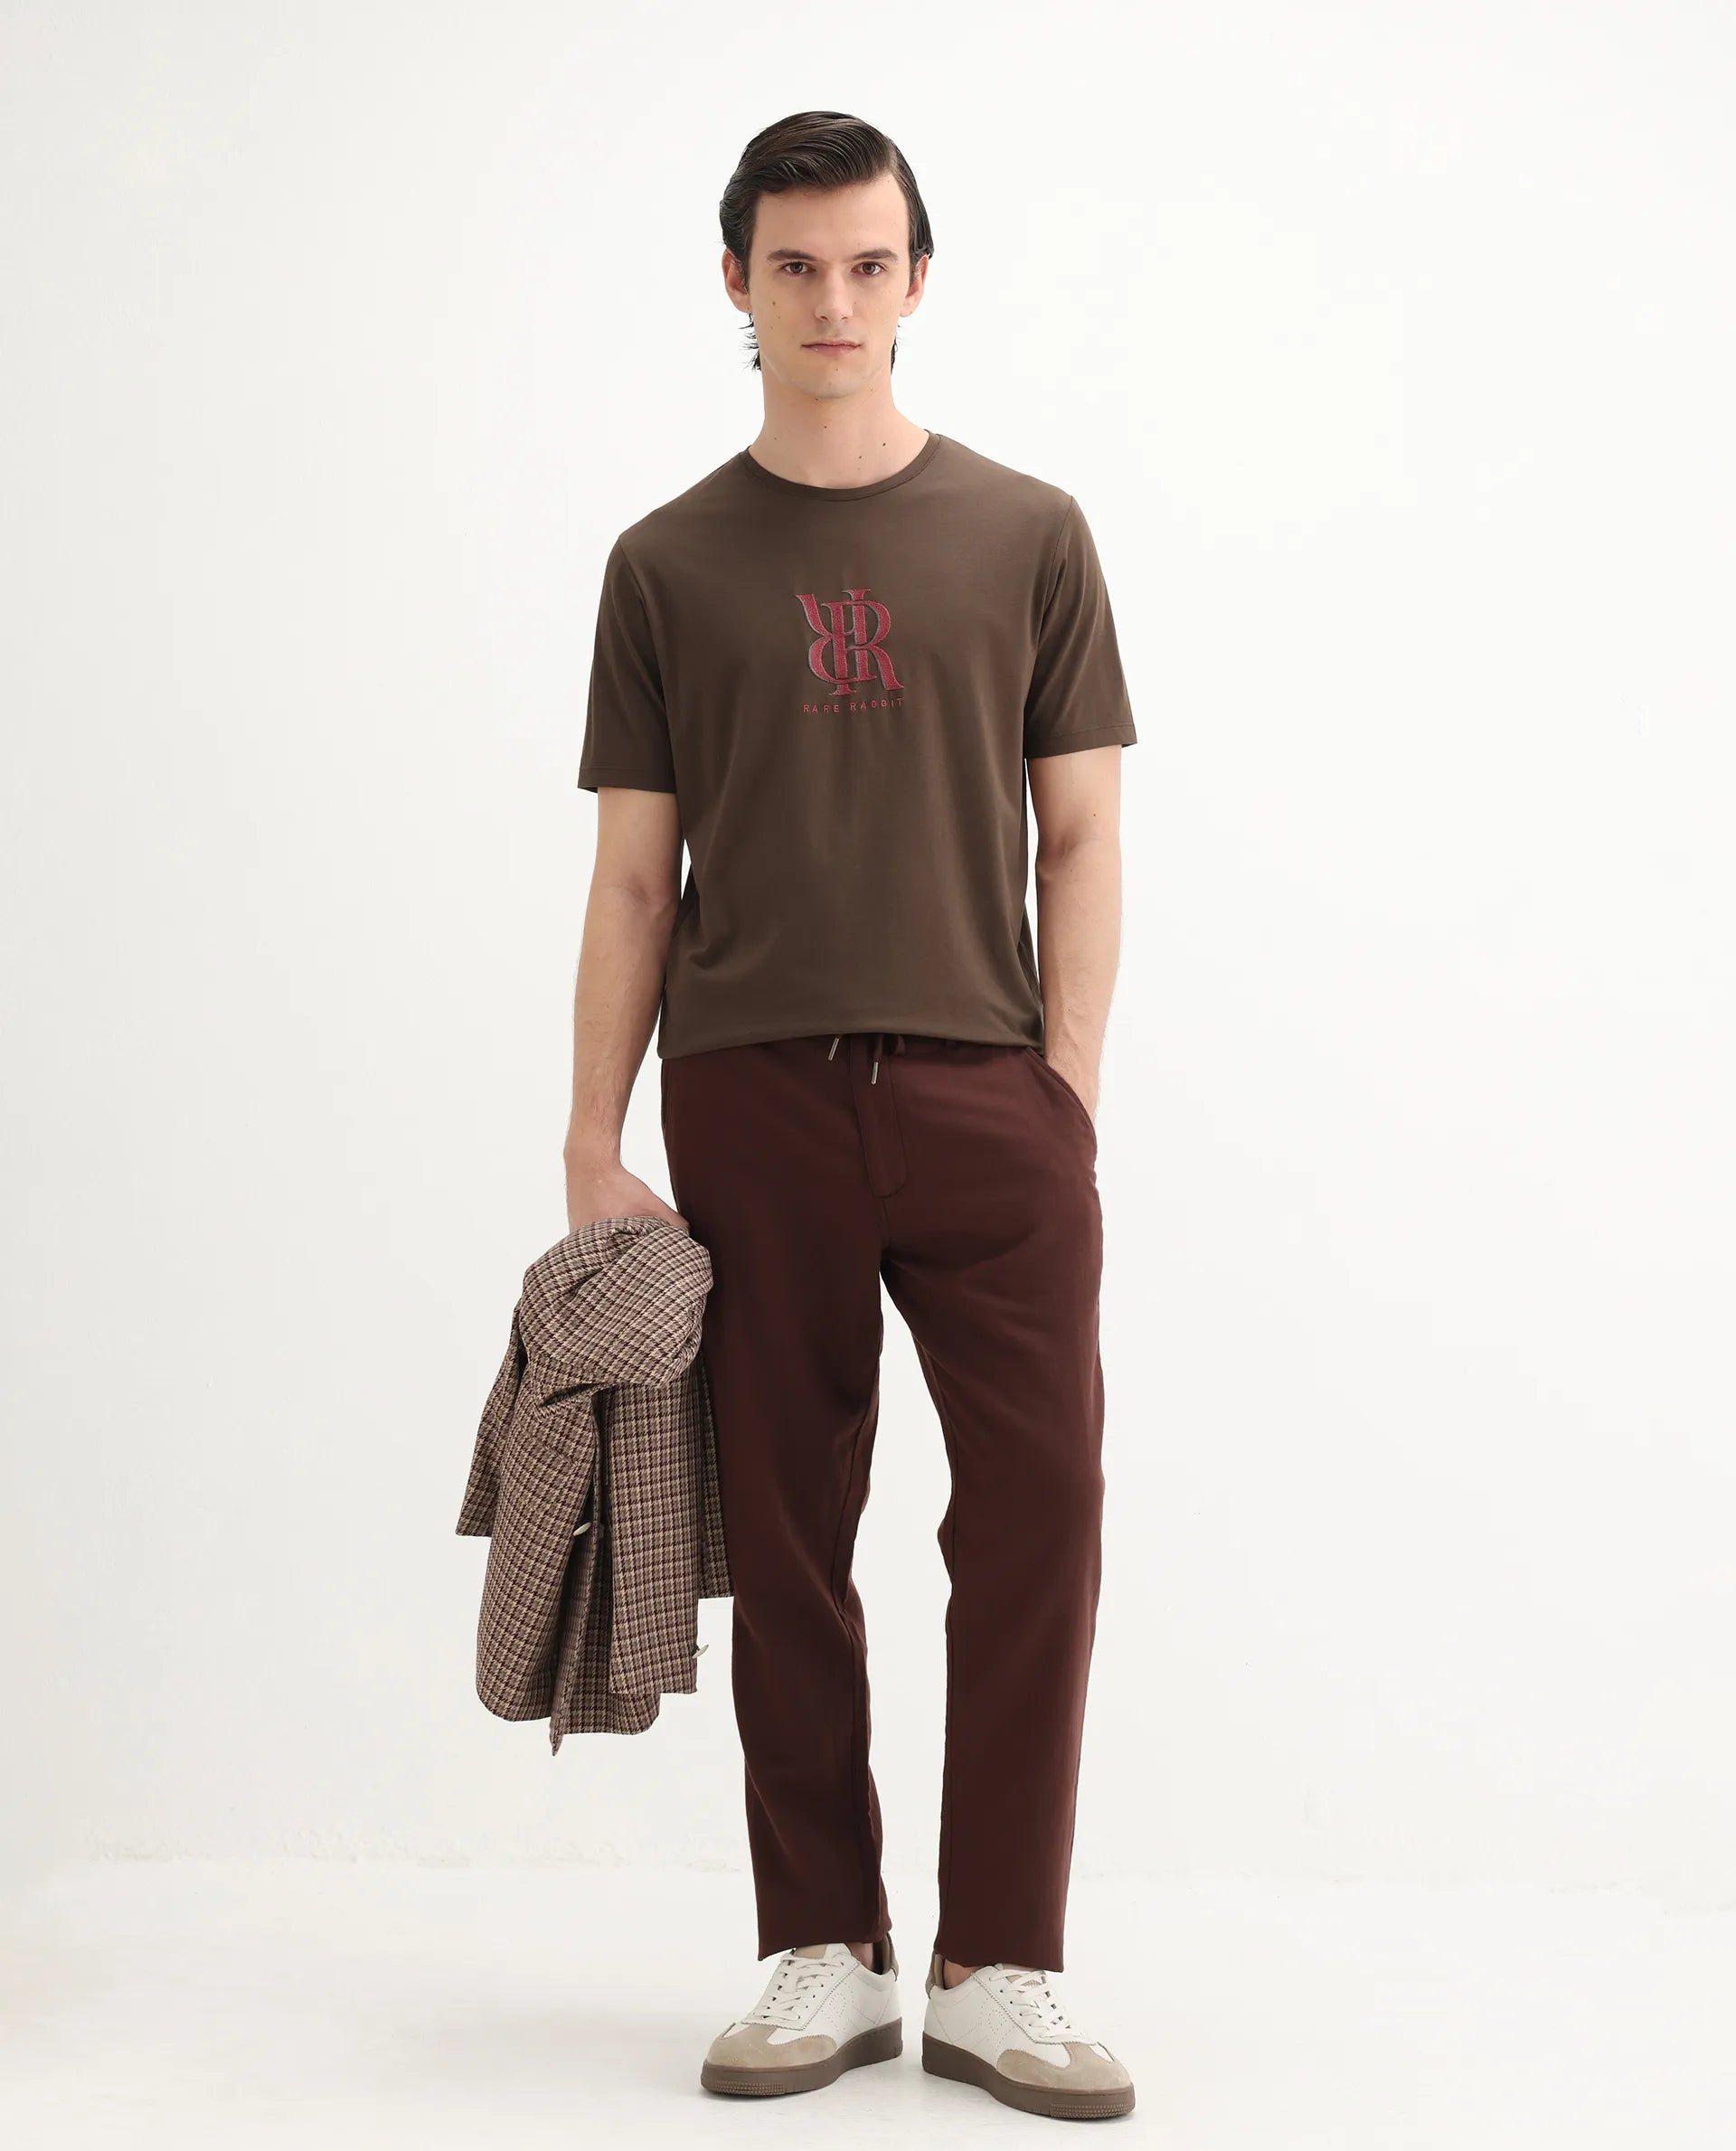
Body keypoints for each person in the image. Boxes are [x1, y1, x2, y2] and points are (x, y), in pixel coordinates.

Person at [561, 110, 1138, 2121]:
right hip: (754, 1096)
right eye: (795, 266)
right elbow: (635, 877)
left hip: (990, 1095)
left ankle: (999, 1960)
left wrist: (1064, 1096)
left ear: (917, 279)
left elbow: (1083, 835)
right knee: (791, 1534)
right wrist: (592, 1138)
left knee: (1042, 1513)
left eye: (868, 264)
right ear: (737, 282)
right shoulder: (664, 562)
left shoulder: (1030, 531)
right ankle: (825, 1939)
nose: (833, 300)